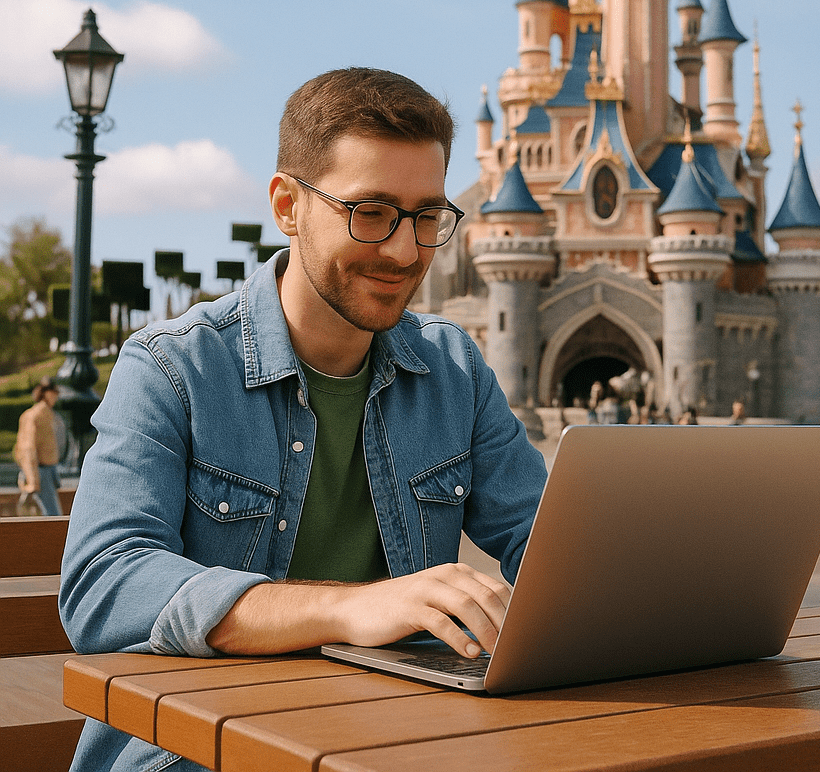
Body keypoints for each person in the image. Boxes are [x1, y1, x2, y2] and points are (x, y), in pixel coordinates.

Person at [59, 68, 549, 772]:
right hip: (195, 758)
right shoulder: (171, 368)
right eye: (371, 212)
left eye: (426, 216)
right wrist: (353, 610)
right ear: (287, 206)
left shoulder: (455, 369)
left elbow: (548, 545)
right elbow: (104, 586)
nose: (407, 252)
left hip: (396, 748)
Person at [14, 378, 64, 516]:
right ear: (47, 393)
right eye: (54, 393)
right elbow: (27, 448)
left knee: (51, 515)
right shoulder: (35, 415)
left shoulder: (47, 414)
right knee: (53, 516)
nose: (56, 396)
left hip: (47, 469)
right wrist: (33, 480)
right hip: (41, 471)